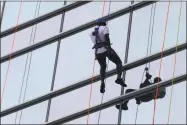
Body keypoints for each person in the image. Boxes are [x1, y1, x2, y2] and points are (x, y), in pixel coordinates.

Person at [89, 18, 127, 93]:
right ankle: (119, 78)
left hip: (97, 52)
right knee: (118, 62)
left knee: (103, 66)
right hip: (105, 49)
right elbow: (106, 37)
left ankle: (102, 82)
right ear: (103, 23)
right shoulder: (104, 28)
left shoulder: (91, 32)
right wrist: (109, 47)